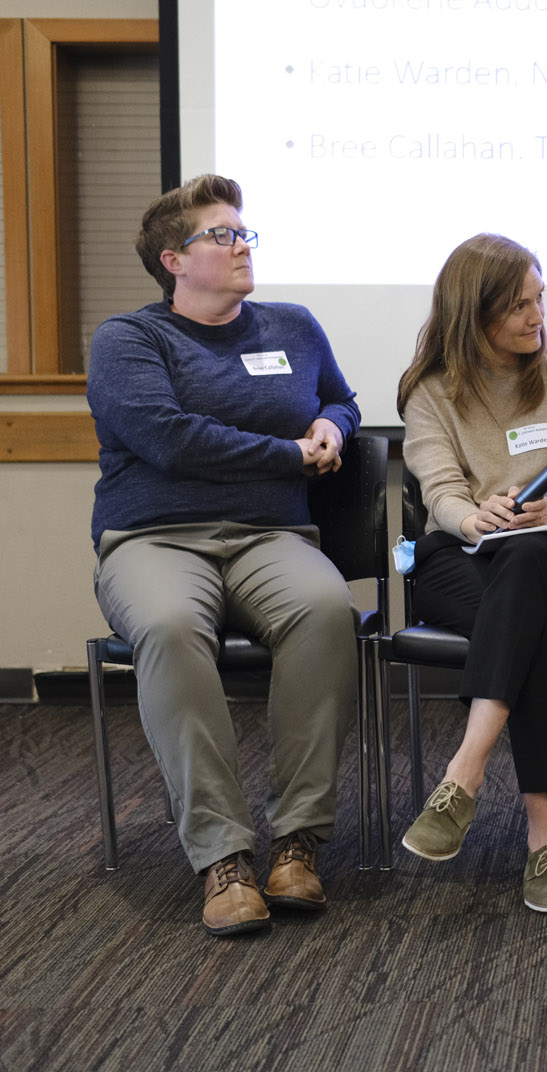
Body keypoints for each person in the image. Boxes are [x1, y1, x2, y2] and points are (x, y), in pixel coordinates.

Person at [87, 174, 360, 937]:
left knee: (326, 609)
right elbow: (171, 440)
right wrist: (291, 455)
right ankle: (223, 858)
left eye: (245, 233)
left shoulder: (293, 326)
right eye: (222, 235)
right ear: (174, 261)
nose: (242, 246)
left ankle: (298, 841)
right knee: (171, 627)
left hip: (270, 536)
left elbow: (340, 399)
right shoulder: (129, 340)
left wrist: (334, 429)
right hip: (154, 537)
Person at [397, 234, 547, 914]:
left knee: (530, 565)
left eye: (539, 298)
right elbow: (439, 491)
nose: (535, 316)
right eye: (518, 305)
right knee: (531, 618)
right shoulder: (430, 392)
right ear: (472, 312)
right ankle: (545, 833)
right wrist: (474, 516)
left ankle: (465, 770)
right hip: (461, 559)